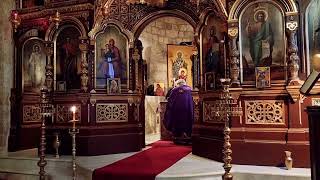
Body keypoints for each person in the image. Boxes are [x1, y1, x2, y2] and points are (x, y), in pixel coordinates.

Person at [164, 79, 194, 145]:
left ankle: (178, 138)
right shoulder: (190, 90)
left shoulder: (174, 90)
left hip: (177, 112)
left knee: (176, 123)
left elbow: (170, 102)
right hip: (188, 111)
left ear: (178, 84)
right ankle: (188, 138)